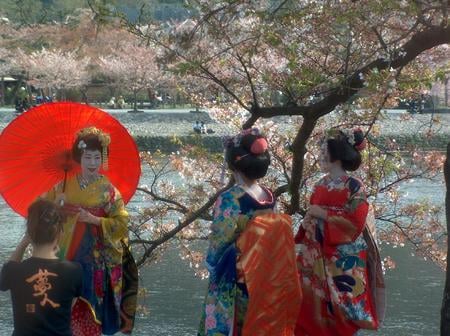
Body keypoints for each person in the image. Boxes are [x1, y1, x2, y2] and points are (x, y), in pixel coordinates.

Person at [198, 128, 302, 336]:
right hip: (264, 272)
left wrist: (211, 262)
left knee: (233, 324)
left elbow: (221, 237)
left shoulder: (231, 198)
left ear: (233, 164)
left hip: (237, 271)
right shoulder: (268, 195)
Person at [44, 127, 133, 336]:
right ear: (79, 158)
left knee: (91, 301)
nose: (92, 163)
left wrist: (94, 219)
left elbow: (121, 223)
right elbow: (44, 216)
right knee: (65, 302)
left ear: (102, 160)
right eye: (88, 157)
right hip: (66, 252)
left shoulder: (109, 190)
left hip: (95, 255)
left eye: (97, 158)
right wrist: (57, 206)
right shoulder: (62, 187)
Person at [294, 129, 384, 336]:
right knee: (311, 302)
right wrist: (308, 221)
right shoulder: (320, 184)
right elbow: (312, 211)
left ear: (336, 154)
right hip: (315, 250)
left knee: (343, 304)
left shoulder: (354, 186)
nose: (321, 155)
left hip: (344, 253)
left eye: (324, 150)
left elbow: (356, 220)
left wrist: (323, 214)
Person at [0, 199, 83, 336]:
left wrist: (23, 243)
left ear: (30, 233)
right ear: (60, 233)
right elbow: (68, 305)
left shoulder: (13, 271)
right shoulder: (74, 271)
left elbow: (4, 278)